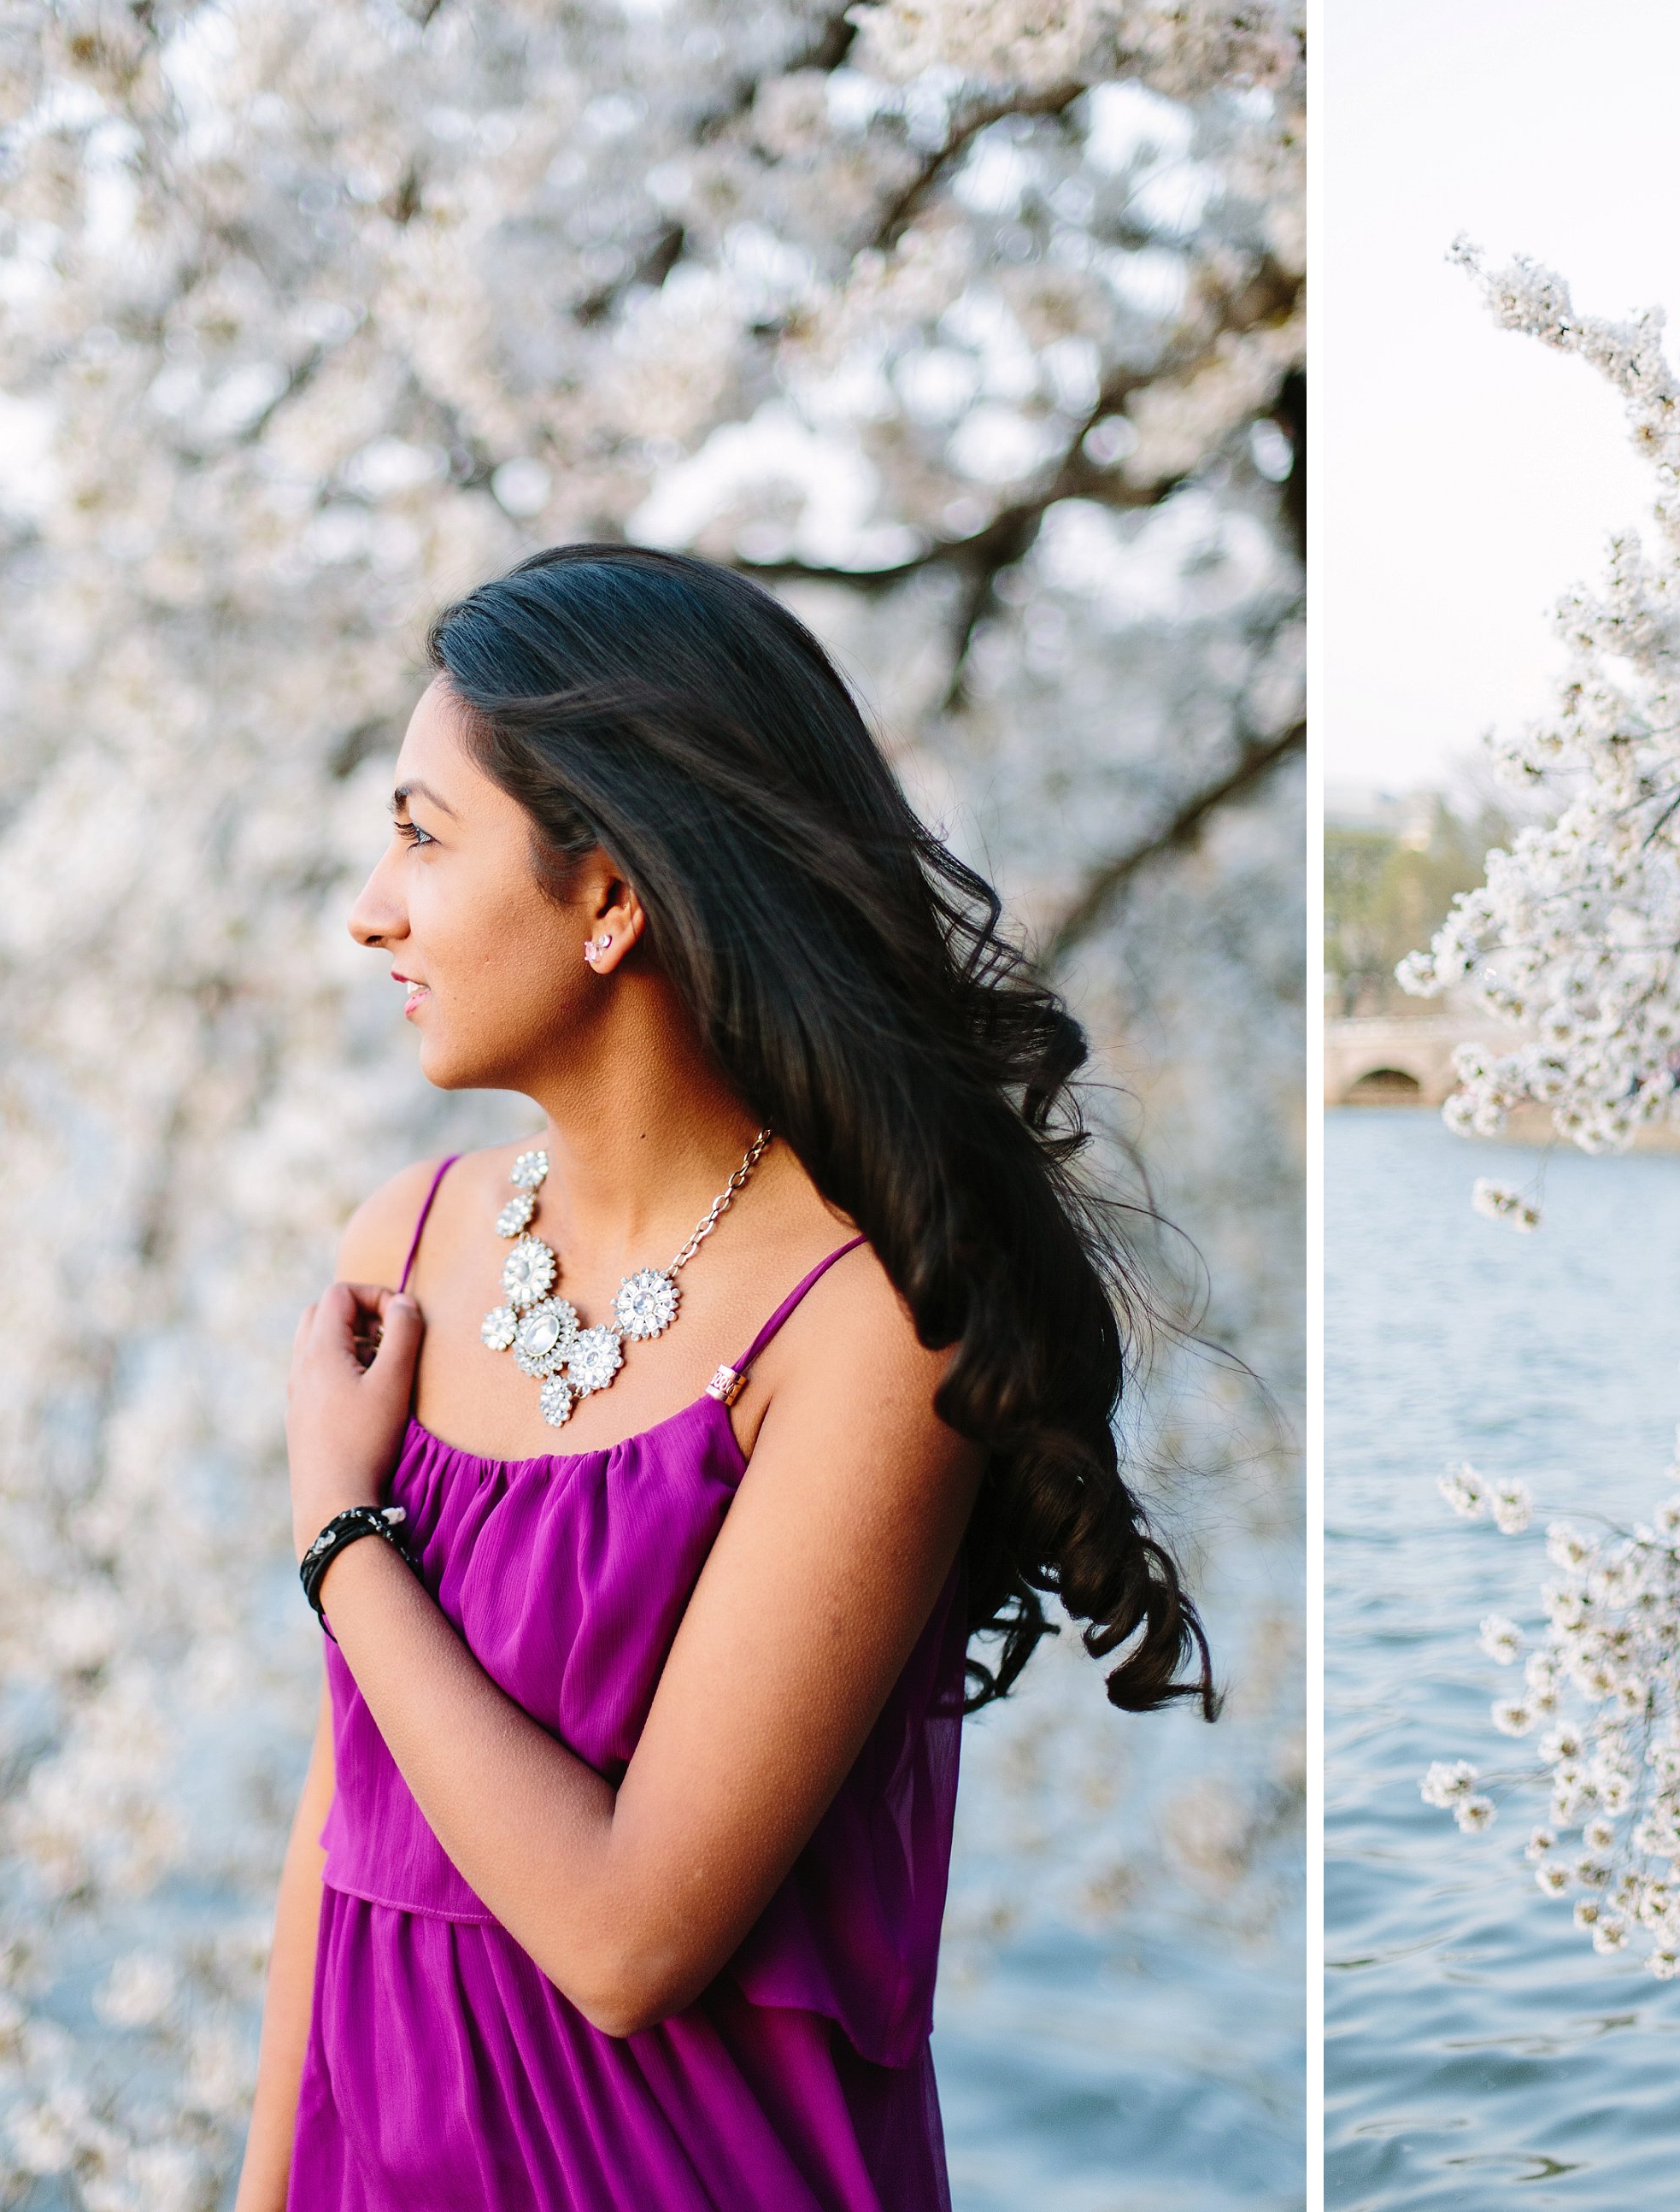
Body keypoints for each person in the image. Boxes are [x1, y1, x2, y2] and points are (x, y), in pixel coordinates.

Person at [237, 544, 1215, 2210]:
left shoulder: (868, 1327)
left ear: (612, 896)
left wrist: (342, 1533)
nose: (371, 908)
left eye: (420, 832)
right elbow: (342, 1832)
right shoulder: (401, 1247)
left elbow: (629, 1938)